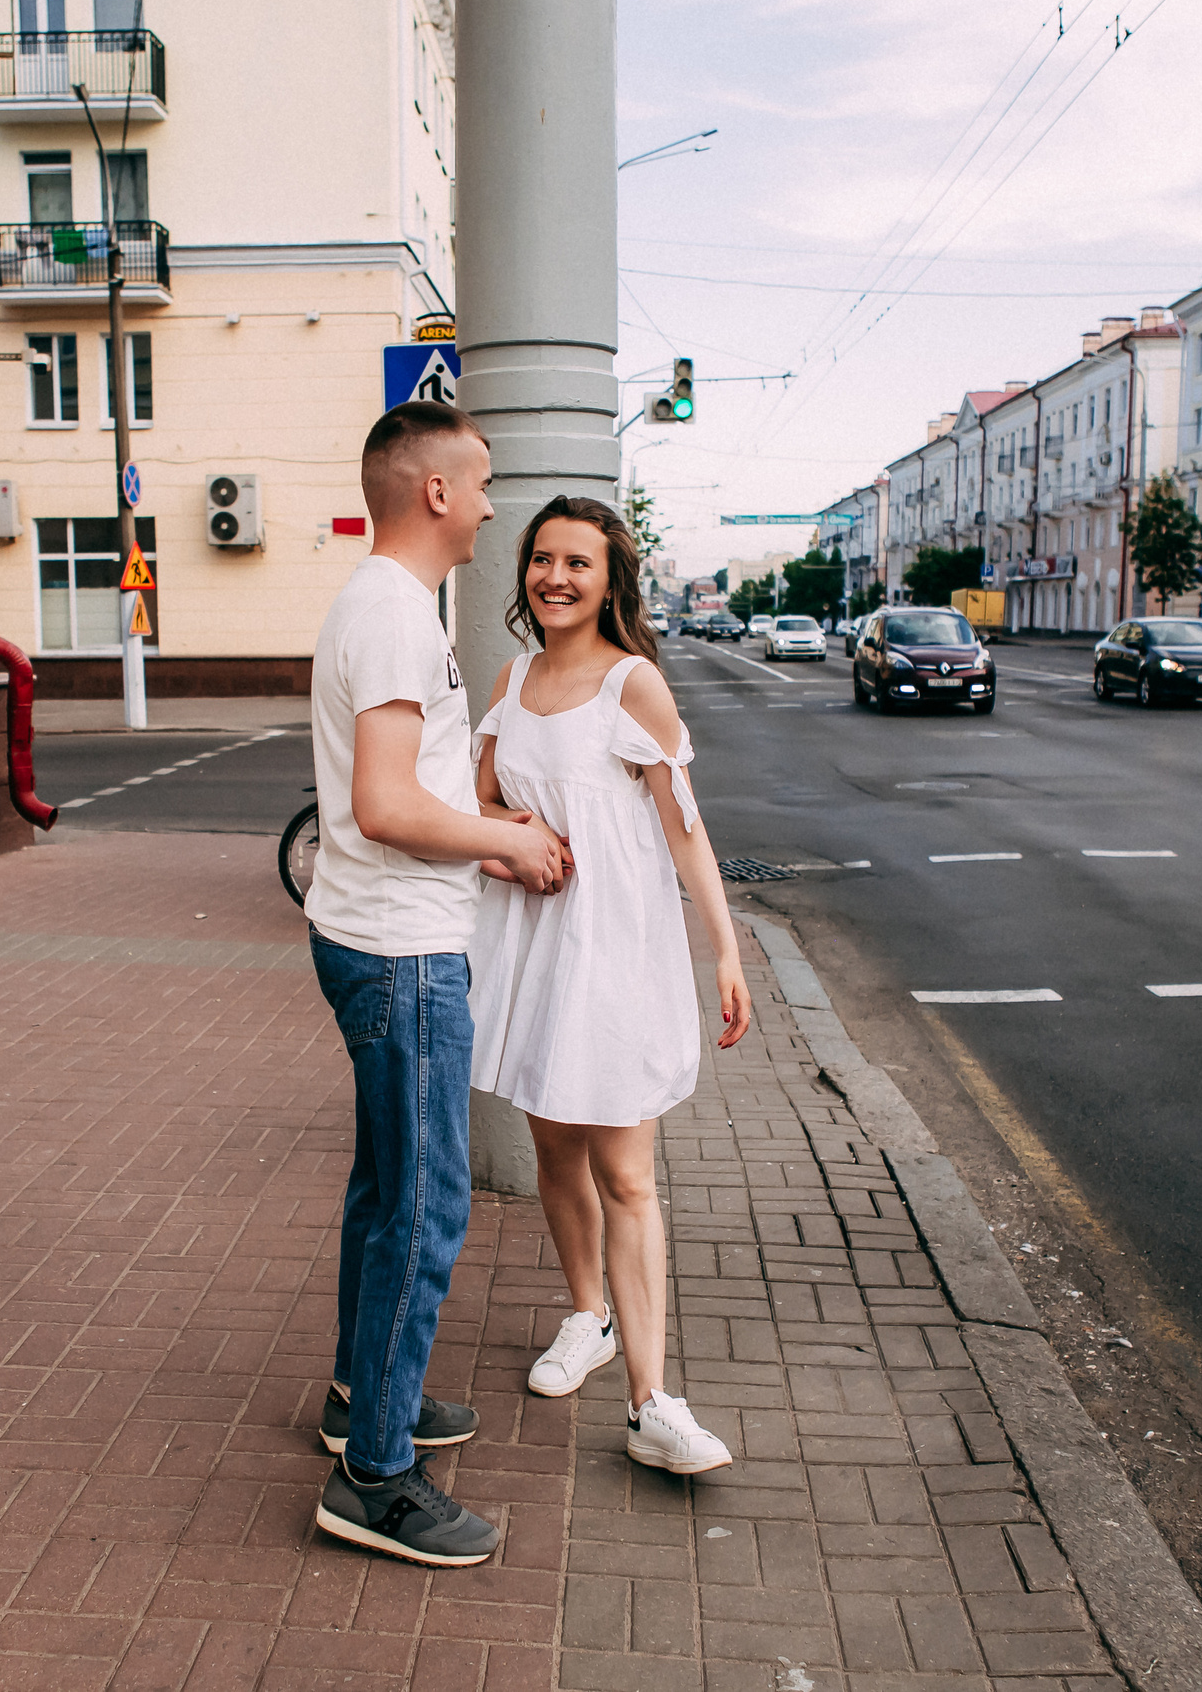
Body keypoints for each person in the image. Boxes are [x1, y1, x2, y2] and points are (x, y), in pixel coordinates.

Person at [304, 400, 572, 1568]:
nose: (494, 503)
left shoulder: (387, 607)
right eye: (484, 482)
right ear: (435, 494)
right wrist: (504, 844)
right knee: (424, 1209)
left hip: (374, 933)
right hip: (403, 951)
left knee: (384, 1193)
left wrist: (484, 814)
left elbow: (408, 785)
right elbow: (383, 805)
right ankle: (375, 1481)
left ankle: (366, 1398)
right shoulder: (393, 616)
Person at [469, 496, 755, 1477]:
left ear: (609, 580)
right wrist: (515, 844)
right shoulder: (510, 680)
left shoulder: (633, 686)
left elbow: (685, 829)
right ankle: (584, 1314)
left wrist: (722, 949)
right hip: (538, 945)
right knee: (552, 1145)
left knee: (627, 1173)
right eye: (541, 560)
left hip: (619, 950)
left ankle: (652, 1402)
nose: (554, 577)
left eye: (576, 563)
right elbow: (483, 801)